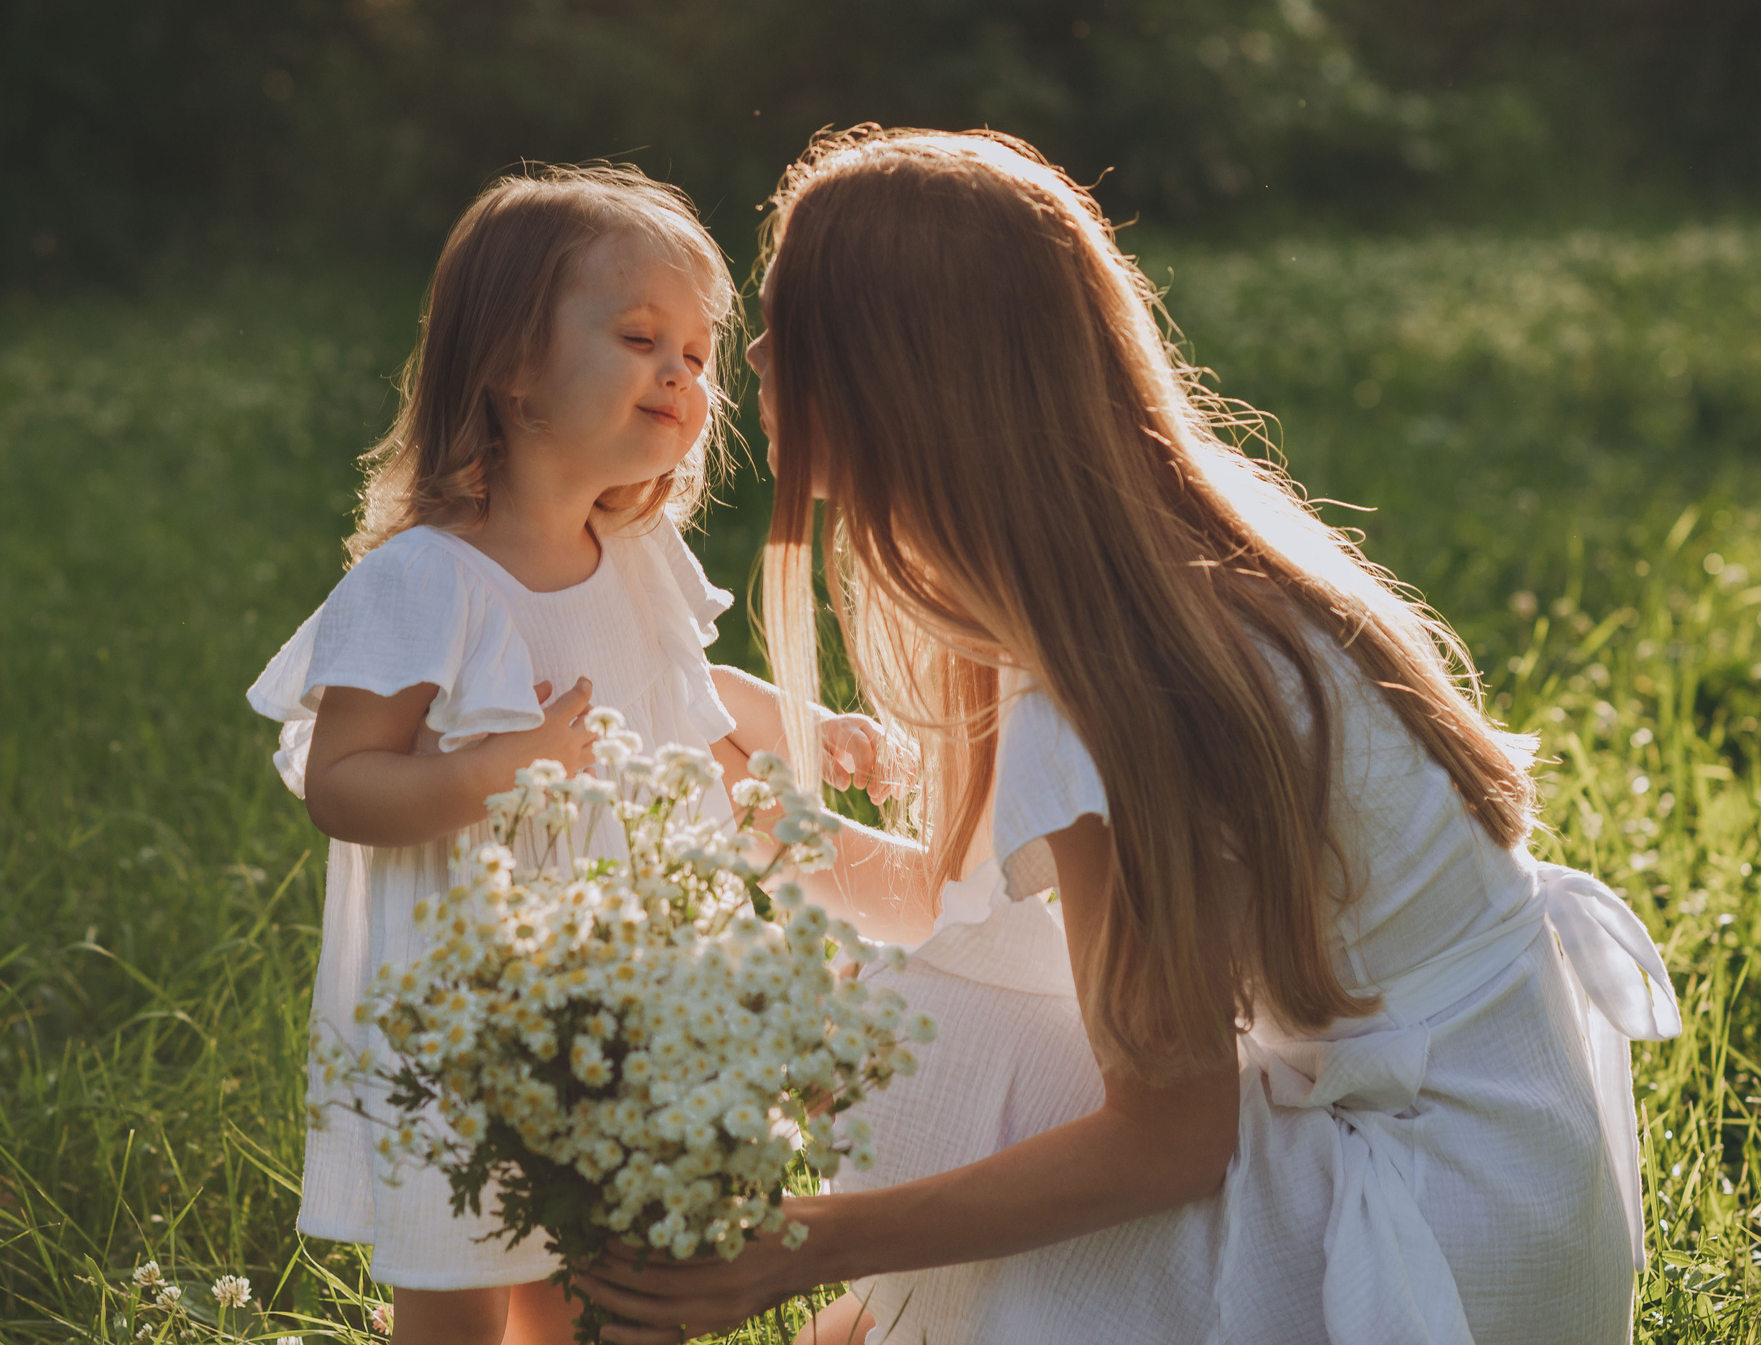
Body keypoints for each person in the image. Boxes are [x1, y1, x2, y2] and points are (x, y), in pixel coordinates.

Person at [578, 128, 1682, 1345]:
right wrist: (733, 801)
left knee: (929, 1033)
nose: (758, 364)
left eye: (794, 329)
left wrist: (805, 1243)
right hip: (1510, 1170)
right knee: (947, 985)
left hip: (1435, 1239)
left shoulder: (1110, 684)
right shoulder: (1142, 576)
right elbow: (953, 906)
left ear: (897, 378)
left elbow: (1167, 1137)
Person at [245, 165, 888, 1345]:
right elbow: (342, 783)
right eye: (641, 337)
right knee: (460, 1265)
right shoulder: (422, 580)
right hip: (471, 1004)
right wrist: (505, 766)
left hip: (622, 986)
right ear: (510, 363)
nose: (682, 375)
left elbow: (688, 689)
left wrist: (799, 726)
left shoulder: (631, 552)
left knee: (597, 1262)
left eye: (697, 355)